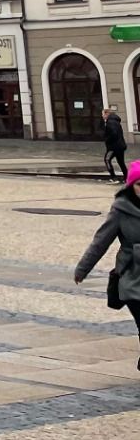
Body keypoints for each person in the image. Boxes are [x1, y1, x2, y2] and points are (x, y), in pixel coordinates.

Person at [73, 159, 140, 371]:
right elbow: (101, 240)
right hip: (132, 276)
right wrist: (83, 268)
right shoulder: (121, 209)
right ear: (131, 186)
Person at [104, 109, 128, 183]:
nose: (102, 116)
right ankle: (127, 178)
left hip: (113, 146)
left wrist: (107, 140)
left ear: (107, 114)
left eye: (103, 114)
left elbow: (113, 133)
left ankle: (113, 178)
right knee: (121, 162)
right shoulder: (116, 121)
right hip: (120, 145)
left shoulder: (110, 122)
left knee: (107, 160)